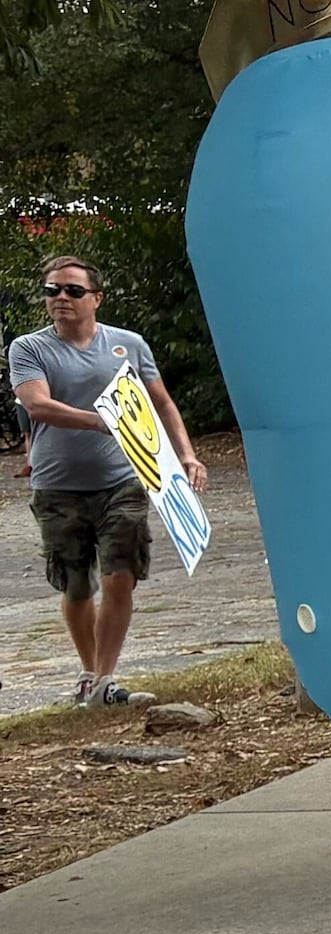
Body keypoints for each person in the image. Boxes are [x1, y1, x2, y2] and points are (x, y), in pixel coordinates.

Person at [10, 257, 201, 706]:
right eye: (52, 290)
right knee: (77, 585)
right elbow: (37, 406)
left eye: (73, 291)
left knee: (121, 576)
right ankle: (88, 670)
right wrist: (99, 422)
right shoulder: (29, 348)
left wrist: (187, 455)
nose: (60, 298)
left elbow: (162, 403)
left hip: (124, 478)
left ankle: (103, 680)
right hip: (58, 485)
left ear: (96, 298)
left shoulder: (127, 344)